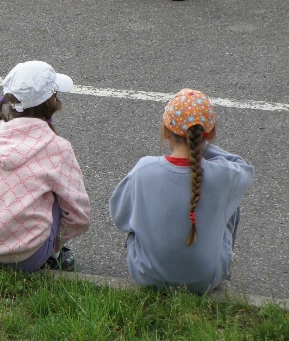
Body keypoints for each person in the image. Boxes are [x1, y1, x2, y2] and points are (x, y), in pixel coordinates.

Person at [0, 61, 90, 272]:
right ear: (52, 101)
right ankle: (54, 258)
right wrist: (54, 243)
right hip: (28, 258)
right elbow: (79, 215)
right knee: (61, 197)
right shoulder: (58, 148)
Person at [108, 88, 254, 293]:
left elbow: (120, 217)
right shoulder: (225, 174)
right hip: (206, 280)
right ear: (210, 133)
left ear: (165, 131)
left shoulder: (144, 169)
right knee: (229, 203)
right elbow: (244, 167)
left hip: (147, 276)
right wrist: (202, 147)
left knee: (137, 214)